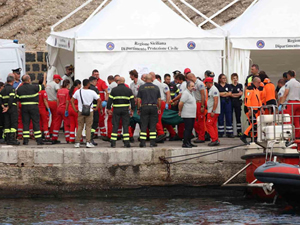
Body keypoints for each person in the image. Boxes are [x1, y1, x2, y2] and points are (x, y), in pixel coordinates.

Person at [71, 79, 101, 148]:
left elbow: (72, 101)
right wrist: (96, 108)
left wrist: (75, 109)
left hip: (81, 111)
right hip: (89, 111)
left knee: (80, 127)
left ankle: (77, 142)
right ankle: (88, 142)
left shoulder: (78, 91)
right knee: (88, 127)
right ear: (88, 84)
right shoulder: (92, 92)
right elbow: (99, 100)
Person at [107, 77, 135, 148]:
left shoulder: (114, 90)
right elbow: (132, 101)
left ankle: (113, 143)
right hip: (125, 110)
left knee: (115, 125)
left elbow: (109, 100)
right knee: (125, 125)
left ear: (119, 82)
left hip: (116, 110)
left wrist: (109, 109)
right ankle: (126, 143)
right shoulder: (128, 90)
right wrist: (132, 110)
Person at [16, 75, 44, 145]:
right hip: (33, 107)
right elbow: (43, 86)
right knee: (36, 122)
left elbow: (17, 100)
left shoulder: (19, 89)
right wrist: (45, 77)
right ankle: (38, 140)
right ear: (29, 80)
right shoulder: (34, 87)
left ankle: (25, 140)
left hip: (24, 107)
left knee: (25, 123)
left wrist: (18, 109)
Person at [137, 74, 161, 147]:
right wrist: (159, 108)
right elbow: (159, 100)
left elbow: (138, 100)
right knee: (153, 125)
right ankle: (152, 142)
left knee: (144, 125)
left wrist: (138, 108)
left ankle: (143, 143)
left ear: (145, 79)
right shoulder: (156, 88)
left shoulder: (141, 87)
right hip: (153, 107)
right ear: (152, 79)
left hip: (144, 107)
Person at [240, 77, 263, 144]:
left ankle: (254, 138)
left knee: (255, 124)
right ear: (255, 82)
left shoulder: (256, 89)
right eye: (258, 82)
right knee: (254, 123)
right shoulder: (250, 89)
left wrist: (261, 107)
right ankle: (244, 136)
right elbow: (247, 99)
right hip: (250, 109)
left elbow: (259, 99)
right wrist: (249, 109)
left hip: (255, 109)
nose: (260, 84)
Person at [280, 70, 300, 139]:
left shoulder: (288, 83)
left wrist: (281, 103)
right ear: (294, 75)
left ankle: (288, 136)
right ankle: (298, 136)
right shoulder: (298, 83)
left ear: (288, 75)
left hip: (291, 103)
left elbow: (285, 94)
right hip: (298, 103)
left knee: (288, 119)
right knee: (297, 120)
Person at [187, 73, 206, 143]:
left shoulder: (199, 84)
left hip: (200, 102)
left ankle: (201, 137)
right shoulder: (194, 84)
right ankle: (200, 134)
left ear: (191, 77)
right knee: (194, 121)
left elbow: (203, 95)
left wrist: (202, 105)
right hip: (195, 103)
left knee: (200, 121)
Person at [0, 76, 19, 145]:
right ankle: (12, 139)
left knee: (7, 124)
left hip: (4, 109)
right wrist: (8, 107)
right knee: (13, 123)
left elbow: (0, 100)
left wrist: (3, 107)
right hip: (11, 108)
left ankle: (7, 139)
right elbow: (11, 99)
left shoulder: (3, 90)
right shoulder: (12, 89)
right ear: (12, 81)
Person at [151, 72, 169, 143]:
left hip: (158, 102)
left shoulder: (154, 84)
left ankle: (161, 134)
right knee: (158, 119)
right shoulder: (159, 83)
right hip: (162, 102)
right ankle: (160, 134)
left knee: (156, 119)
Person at [178, 81, 197, 148]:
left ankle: (189, 142)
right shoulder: (185, 93)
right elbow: (181, 103)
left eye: (193, 86)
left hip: (192, 114)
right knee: (187, 129)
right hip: (187, 115)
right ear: (188, 87)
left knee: (190, 129)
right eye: (192, 86)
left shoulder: (191, 93)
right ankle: (185, 143)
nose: (193, 87)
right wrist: (180, 111)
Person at [51, 80, 70, 144]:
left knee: (57, 123)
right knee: (66, 124)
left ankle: (54, 137)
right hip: (64, 109)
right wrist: (67, 110)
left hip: (59, 108)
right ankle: (67, 138)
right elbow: (67, 101)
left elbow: (58, 100)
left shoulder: (59, 91)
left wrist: (58, 107)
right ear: (67, 85)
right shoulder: (67, 91)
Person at [92, 69, 108, 139]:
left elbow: (107, 91)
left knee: (101, 118)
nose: (96, 76)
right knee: (93, 119)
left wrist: (106, 101)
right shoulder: (91, 83)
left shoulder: (102, 82)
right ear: (92, 75)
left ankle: (103, 133)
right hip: (93, 104)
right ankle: (94, 133)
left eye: (97, 74)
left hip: (100, 104)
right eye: (95, 74)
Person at [106, 75, 123, 141]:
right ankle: (118, 134)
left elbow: (108, 97)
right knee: (119, 121)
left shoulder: (110, 86)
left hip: (113, 106)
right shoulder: (117, 86)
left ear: (109, 80)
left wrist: (108, 106)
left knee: (110, 120)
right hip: (120, 105)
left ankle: (110, 135)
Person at [204, 77, 220, 146]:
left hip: (212, 111)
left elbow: (215, 101)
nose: (205, 84)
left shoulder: (214, 90)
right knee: (213, 125)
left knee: (209, 124)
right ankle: (216, 139)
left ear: (208, 83)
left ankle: (214, 139)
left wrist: (213, 110)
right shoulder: (212, 89)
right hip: (213, 111)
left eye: (206, 83)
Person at [129, 70, 144, 142]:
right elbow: (131, 94)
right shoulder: (131, 85)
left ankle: (142, 136)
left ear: (133, 75)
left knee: (141, 120)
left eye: (130, 75)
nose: (129, 77)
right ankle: (130, 136)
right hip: (134, 104)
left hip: (141, 103)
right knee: (133, 120)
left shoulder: (141, 83)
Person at [38, 76, 51, 141]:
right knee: (45, 122)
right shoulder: (43, 92)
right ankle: (47, 136)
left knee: (39, 122)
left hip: (38, 108)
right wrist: (48, 108)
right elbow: (45, 101)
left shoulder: (37, 92)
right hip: (43, 109)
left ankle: (39, 135)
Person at [89, 76, 100, 146]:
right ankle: (91, 137)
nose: (96, 83)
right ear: (93, 81)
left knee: (88, 124)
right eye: (96, 81)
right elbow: (98, 100)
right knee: (95, 123)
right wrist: (100, 108)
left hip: (86, 108)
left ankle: (88, 138)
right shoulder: (95, 90)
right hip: (94, 108)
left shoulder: (86, 88)